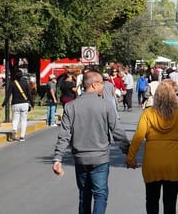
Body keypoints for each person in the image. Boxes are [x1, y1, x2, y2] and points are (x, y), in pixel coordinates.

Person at [52, 71, 130, 214]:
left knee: (84, 195)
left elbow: (64, 135)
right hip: (100, 159)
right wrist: (128, 152)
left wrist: (58, 158)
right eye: (101, 83)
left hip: (80, 159)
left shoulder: (71, 107)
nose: (103, 86)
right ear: (94, 84)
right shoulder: (106, 106)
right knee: (100, 194)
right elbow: (117, 132)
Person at [126, 79, 178, 214]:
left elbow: (138, 137)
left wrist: (130, 158)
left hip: (152, 162)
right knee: (170, 203)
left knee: (151, 200)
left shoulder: (148, 113)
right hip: (174, 162)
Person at [1, 70, 34, 141]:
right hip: (24, 103)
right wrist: (32, 103)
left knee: (15, 119)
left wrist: (3, 104)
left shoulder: (12, 83)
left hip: (15, 103)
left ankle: (14, 130)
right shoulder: (25, 83)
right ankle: (22, 136)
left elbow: (8, 95)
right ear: (22, 75)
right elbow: (29, 94)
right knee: (23, 120)